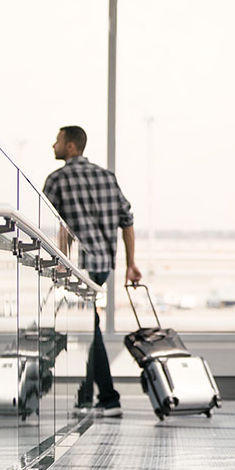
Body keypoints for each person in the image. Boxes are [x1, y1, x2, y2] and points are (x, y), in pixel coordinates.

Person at [43, 125, 142, 418]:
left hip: (82, 267)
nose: (53, 146)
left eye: (58, 141)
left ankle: (109, 398)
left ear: (71, 146)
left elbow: (56, 222)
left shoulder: (57, 179)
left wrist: (61, 258)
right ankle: (87, 394)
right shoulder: (106, 177)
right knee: (91, 326)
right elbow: (127, 220)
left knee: (91, 328)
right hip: (104, 265)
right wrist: (131, 263)